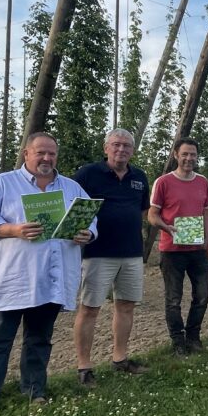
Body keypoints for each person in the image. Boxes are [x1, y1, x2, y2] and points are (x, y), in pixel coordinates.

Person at [0, 133, 96, 416]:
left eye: (52, 154)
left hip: (49, 279)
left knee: (39, 340)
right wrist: (14, 229)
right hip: (10, 280)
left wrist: (87, 233)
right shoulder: (1, 185)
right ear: (26, 154)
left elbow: (90, 220)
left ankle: (34, 391)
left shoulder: (71, 188)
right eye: (40, 153)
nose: (47, 159)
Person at [72, 128, 150, 387]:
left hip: (131, 253)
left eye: (127, 146)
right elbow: (73, 207)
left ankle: (120, 357)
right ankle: (84, 366)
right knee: (90, 308)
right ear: (106, 148)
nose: (121, 150)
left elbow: (141, 211)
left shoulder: (139, 177)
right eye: (116, 145)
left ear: (132, 150)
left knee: (126, 306)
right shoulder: (88, 174)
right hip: (97, 253)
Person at [148, 138, 208, 356]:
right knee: (173, 299)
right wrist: (167, 227)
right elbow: (152, 215)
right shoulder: (163, 182)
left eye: (193, 154)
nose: (189, 158)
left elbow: (206, 212)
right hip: (172, 250)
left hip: (197, 250)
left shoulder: (202, 181)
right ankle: (178, 341)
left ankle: (193, 336)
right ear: (176, 154)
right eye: (185, 154)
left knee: (202, 295)